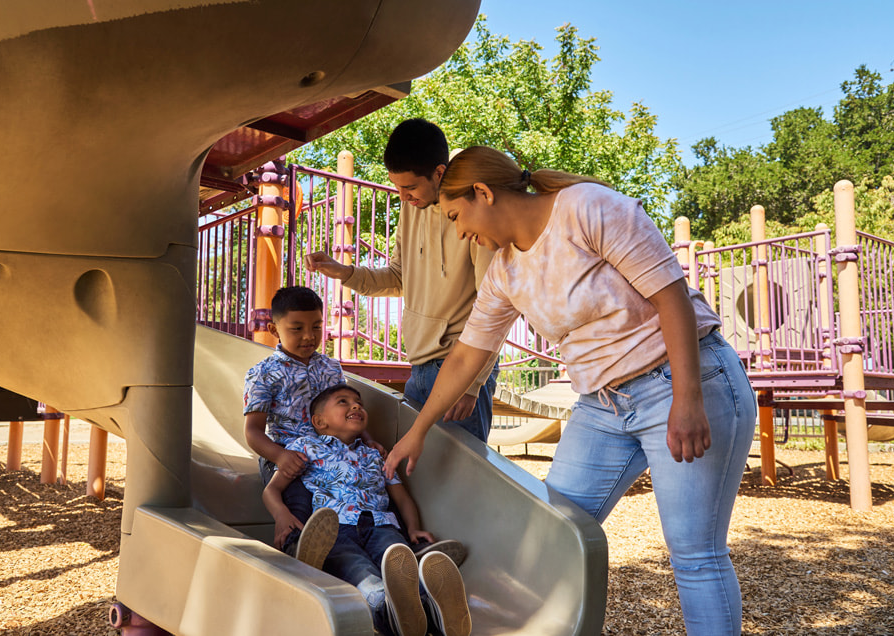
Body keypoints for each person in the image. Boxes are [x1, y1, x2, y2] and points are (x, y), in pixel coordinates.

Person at [383, 146, 758, 636]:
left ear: (483, 193)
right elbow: (466, 355)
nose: (459, 231)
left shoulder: (588, 207)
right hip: (602, 405)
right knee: (550, 536)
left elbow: (671, 298)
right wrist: (419, 429)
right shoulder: (504, 271)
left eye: (457, 216)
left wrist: (688, 400)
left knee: (694, 551)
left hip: (683, 379)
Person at [305, 118, 499, 443]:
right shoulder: (412, 208)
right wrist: (345, 272)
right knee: (420, 478)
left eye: (409, 187)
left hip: (459, 365)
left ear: (439, 172)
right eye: (397, 186)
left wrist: (473, 381)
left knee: (459, 483)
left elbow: (494, 302)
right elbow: (398, 277)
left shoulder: (473, 213)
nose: (402, 196)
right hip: (419, 367)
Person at [281, 384, 472, 636]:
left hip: (382, 526)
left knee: (399, 567)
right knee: (363, 574)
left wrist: (413, 528)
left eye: (358, 402)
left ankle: (440, 612)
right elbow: (273, 488)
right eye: (343, 401)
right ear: (319, 421)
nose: (356, 405)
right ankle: (392, 616)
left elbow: (401, 497)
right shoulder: (306, 447)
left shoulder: (375, 454)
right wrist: (281, 516)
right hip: (335, 530)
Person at [243, 285, 354, 553]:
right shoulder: (264, 373)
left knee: (370, 482)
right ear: (274, 330)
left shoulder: (330, 367)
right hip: (289, 456)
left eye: (316, 327)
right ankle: (296, 547)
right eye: (297, 328)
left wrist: (369, 441)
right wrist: (281, 457)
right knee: (299, 497)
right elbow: (253, 432)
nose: (309, 336)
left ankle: (394, 541)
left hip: (330, 454)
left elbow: (348, 410)